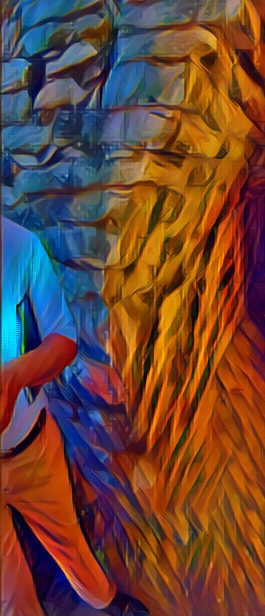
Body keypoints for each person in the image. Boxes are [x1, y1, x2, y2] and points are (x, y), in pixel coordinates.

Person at [1, 215, 147, 616]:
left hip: (32, 448)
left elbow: (62, 338)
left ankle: (103, 599)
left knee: (67, 539)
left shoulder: (20, 246)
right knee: (10, 595)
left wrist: (14, 379)